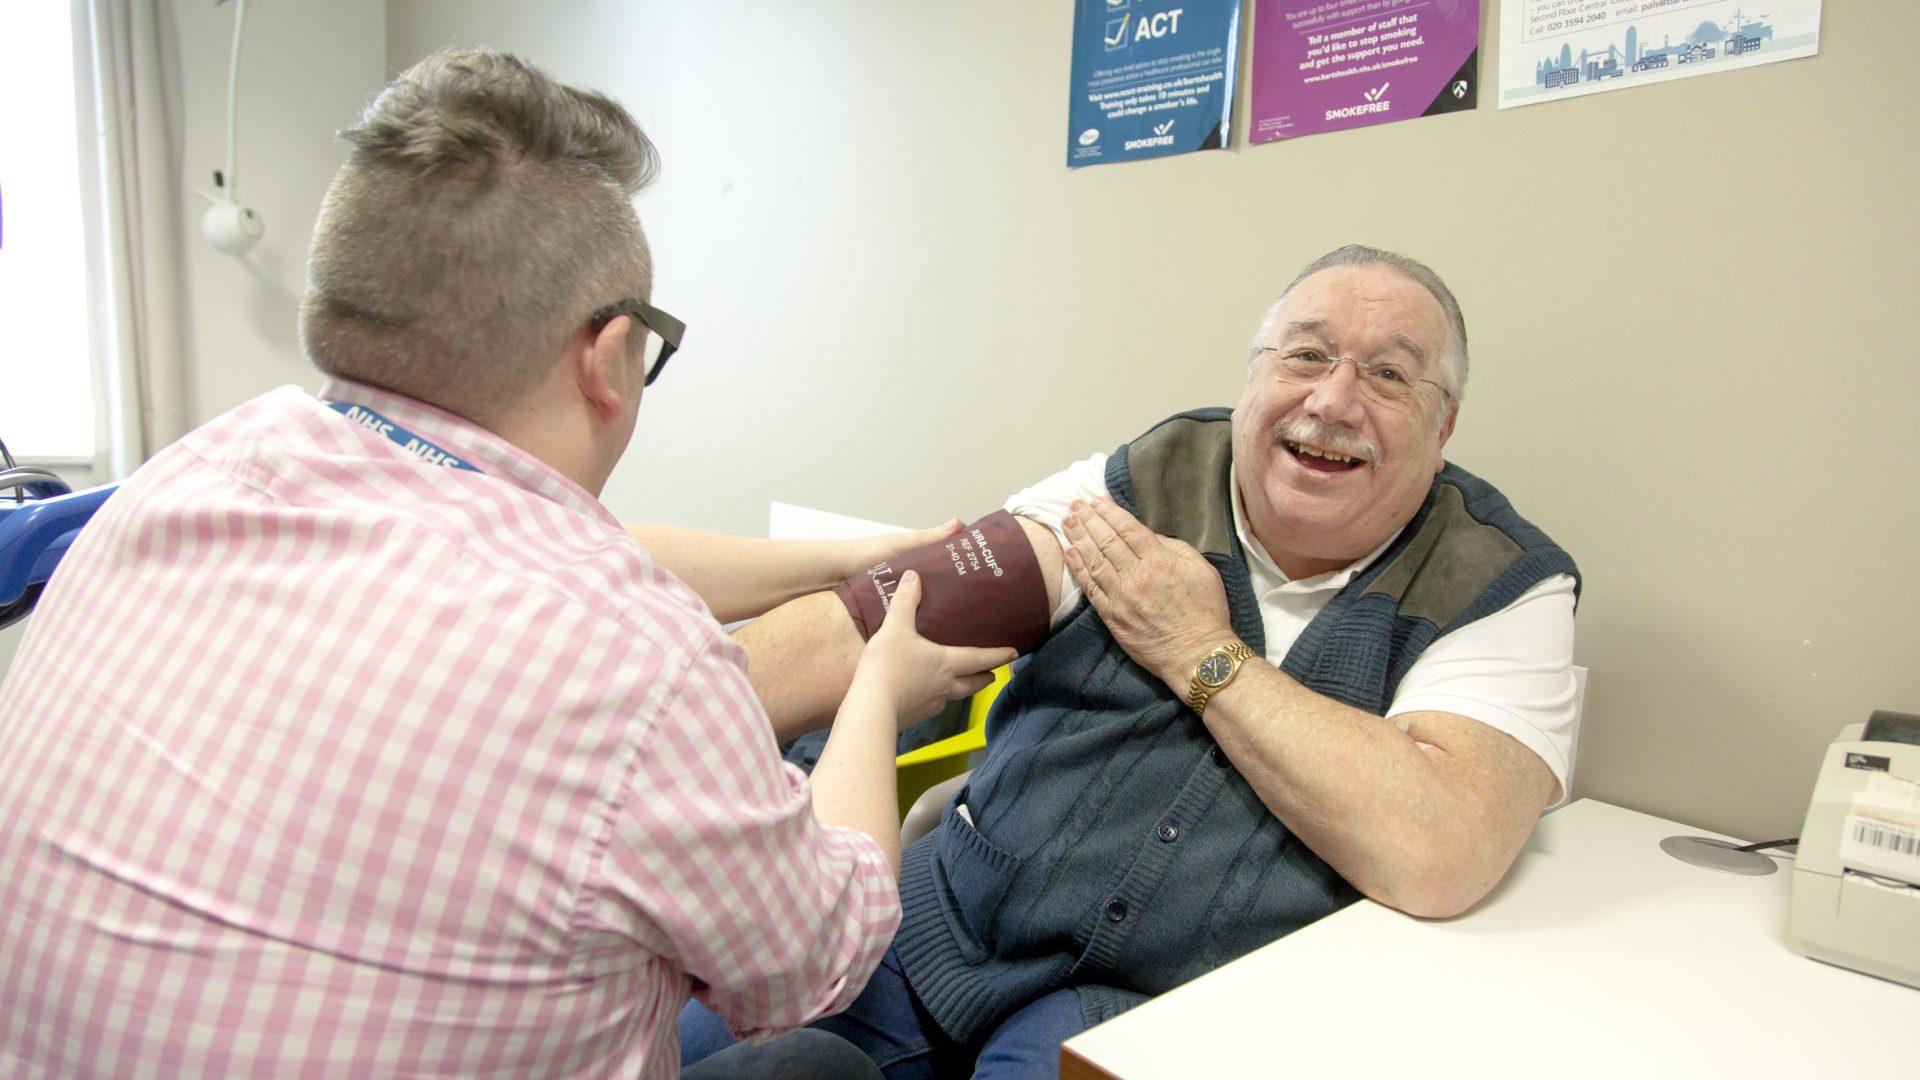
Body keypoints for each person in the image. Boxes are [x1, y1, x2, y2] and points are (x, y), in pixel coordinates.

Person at [0, 49, 1012, 1079]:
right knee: (819, 1063)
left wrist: (849, 554)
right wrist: (877, 690)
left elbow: (580, 552)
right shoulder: (633, 660)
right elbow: (826, 961)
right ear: (607, 355)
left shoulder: (188, 478)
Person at [681, 245, 1581, 1077]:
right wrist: (646, 717)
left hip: (1152, 1012)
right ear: (1254, 376)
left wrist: (1200, 651)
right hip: (936, 925)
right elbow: (873, 625)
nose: (1334, 400)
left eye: (1388, 374)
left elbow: (1440, 849)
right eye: (1306, 356)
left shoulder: (1500, 583)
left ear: (1445, 421)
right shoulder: (1138, 485)